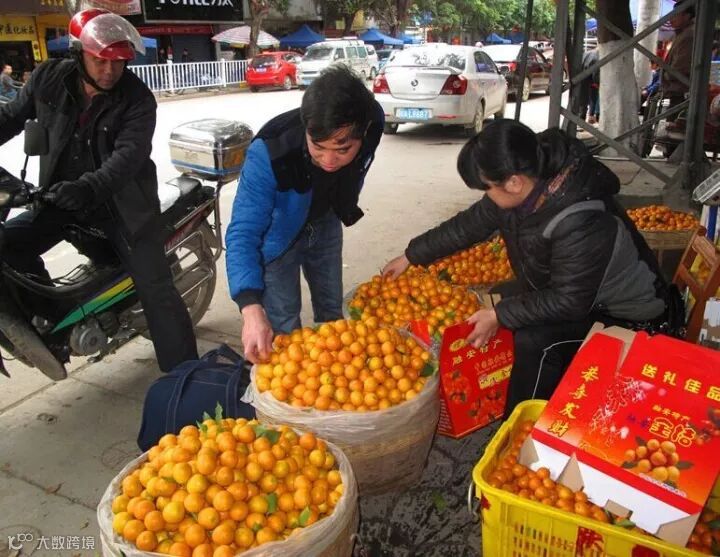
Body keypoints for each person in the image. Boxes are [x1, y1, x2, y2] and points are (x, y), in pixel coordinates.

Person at [383, 119, 667, 416]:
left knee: (535, 340)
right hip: (574, 292)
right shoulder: (527, 183)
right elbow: (468, 225)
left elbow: (569, 301)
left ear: (514, 183)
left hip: (626, 316)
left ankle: (518, 426)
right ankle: (514, 386)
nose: (486, 195)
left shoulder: (580, 218)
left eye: (487, 187)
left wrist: (500, 315)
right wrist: (410, 256)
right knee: (501, 296)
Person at [0, 8, 198, 372]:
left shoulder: (137, 99)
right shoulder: (48, 78)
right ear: (79, 54)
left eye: (118, 62)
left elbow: (127, 158)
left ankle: (186, 377)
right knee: (8, 243)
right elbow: (12, 117)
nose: (110, 70)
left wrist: (87, 188)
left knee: (156, 290)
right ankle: (54, 322)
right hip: (61, 199)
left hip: (122, 210)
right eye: (100, 60)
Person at [226, 65, 384, 364]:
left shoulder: (373, 121)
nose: (329, 160)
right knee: (285, 331)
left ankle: (338, 378)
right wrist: (250, 306)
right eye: (318, 147)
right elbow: (243, 232)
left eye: (342, 150)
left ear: (362, 133)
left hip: (326, 223)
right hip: (277, 240)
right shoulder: (270, 152)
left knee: (333, 317)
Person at [662, 3, 694, 120]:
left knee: (675, 123)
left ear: (687, 16)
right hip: (675, 90)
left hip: (680, 92)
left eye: (675, 15)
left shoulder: (688, 35)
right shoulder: (681, 34)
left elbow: (680, 68)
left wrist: (665, 75)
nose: (671, 19)